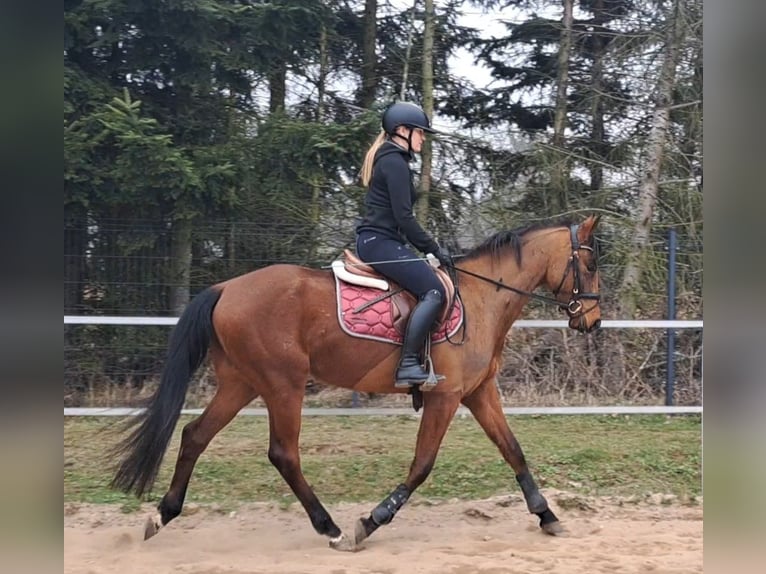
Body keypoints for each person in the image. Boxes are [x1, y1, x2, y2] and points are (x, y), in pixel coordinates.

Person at [355, 101, 453, 388]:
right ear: (401, 131)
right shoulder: (394, 162)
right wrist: (434, 248)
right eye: (420, 132)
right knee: (433, 290)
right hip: (379, 243)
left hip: (381, 241)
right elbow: (405, 218)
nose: (423, 138)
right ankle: (408, 364)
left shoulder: (390, 160)